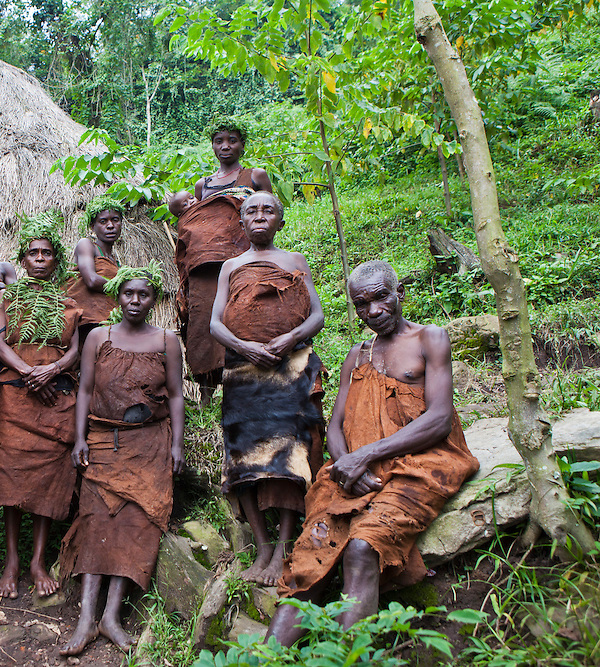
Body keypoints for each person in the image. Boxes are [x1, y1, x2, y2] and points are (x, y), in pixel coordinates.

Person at [266, 260, 480, 645]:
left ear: (399, 294)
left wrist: (366, 456)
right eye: (362, 304)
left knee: (363, 548)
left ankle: (350, 654)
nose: (374, 311)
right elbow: (335, 426)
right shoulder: (358, 355)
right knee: (311, 552)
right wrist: (346, 462)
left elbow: (440, 419)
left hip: (423, 463)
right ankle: (262, 658)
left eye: (381, 297)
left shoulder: (430, 338)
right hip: (355, 469)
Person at [59, 261, 185, 656]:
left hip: (148, 446)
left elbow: (178, 396)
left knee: (135, 524)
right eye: (128, 293)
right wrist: (80, 438)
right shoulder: (99, 336)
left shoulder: (167, 340)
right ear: (118, 296)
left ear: (154, 300)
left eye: (143, 294)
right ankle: (85, 619)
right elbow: (84, 391)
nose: (134, 300)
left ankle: (111, 617)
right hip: (103, 441)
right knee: (95, 519)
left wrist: (176, 446)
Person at [209, 192, 326, 585]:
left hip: (290, 369)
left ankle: (283, 548)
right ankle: (261, 545)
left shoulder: (295, 262)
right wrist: (244, 347)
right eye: (251, 212)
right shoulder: (230, 266)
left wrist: (289, 338)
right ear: (241, 223)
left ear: (280, 220)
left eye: (268, 210)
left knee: (291, 453)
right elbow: (216, 325)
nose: (260, 216)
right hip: (244, 373)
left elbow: (317, 315)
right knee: (241, 454)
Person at [0, 210, 82, 599]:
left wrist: (52, 369)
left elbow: (76, 348)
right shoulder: (7, 297)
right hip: (18, 396)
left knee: (48, 481)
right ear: (22, 260)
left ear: (56, 260)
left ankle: (37, 561)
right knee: (11, 476)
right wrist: (29, 372)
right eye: (33, 253)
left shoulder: (68, 301)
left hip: (56, 399)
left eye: (47, 254)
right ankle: (11, 561)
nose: (40, 259)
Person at [176, 117, 272, 405]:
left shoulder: (255, 176)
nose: (225, 146)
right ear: (212, 145)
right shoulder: (202, 185)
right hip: (205, 264)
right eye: (219, 140)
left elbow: (270, 213)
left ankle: (246, 386)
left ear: (242, 144)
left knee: (244, 314)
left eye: (232, 140)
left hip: (243, 257)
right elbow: (195, 222)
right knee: (203, 319)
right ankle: (206, 396)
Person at [65, 195, 124, 340]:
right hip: (87, 324)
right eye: (103, 221)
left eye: (115, 220)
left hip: (109, 323)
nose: (110, 226)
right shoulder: (86, 245)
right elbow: (91, 280)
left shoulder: (117, 263)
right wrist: (125, 285)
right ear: (93, 226)